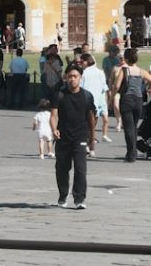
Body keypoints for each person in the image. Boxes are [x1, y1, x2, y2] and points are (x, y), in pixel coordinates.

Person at [51, 64, 94, 209]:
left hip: (80, 137)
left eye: (75, 76)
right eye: (69, 76)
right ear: (65, 78)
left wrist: (92, 139)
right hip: (63, 137)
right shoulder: (60, 94)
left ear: (80, 78)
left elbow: (91, 119)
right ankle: (63, 195)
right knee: (62, 168)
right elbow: (53, 115)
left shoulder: (87, 96)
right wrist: (54, 129)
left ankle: (79, 199)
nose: (72, 79)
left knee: (80, 169)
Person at [110, 48, 151, 162]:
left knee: (128, 128)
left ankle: (131, 153)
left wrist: (112, 97)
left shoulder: (124, 70)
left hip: (126, 99)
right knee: (134, 126)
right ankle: (132, 150)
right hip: (138, 100)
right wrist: (149, 88)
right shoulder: (141, 71)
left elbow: (116, 86)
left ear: (126, 59)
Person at [79, 54, 109, 154]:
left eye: (81, 62)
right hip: (97, 103)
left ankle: (86, 145)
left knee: (84, 126)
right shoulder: (101, 73)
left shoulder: (84, 73)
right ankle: (91, 148)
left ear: (86, 62)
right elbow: (104, 89)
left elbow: (80, 88)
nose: (80, 64)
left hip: (85, 101)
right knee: (92, 127)